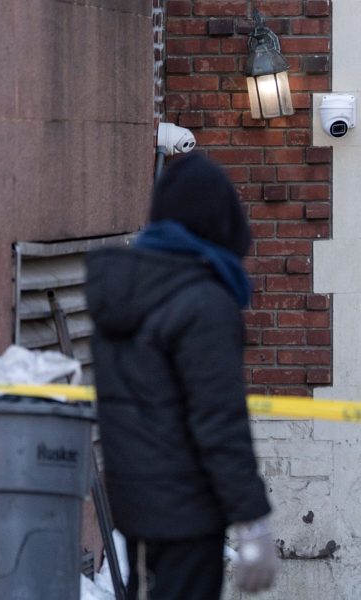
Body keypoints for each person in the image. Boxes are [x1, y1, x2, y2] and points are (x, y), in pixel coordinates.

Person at [86, 153, 279, 598]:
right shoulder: (203, 303)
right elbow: (218, 420)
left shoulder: (128, 294)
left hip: (137, 507)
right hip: (187, 514)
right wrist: (252, 520)